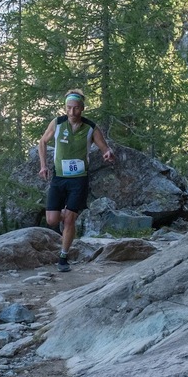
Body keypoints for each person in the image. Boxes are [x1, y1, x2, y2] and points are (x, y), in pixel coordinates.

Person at [38, 89, 115, 272]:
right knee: (52, 220)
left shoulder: (90, 128)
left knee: (70, 219)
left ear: (82, 108)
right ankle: (67, 217)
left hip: (79, 179)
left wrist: (108, 153)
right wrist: (43, 165)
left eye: (76, 108)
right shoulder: (57, 123)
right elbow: (42, 142)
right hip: (59, 177)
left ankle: (63, 258)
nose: (71, 112)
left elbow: (104, 147)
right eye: (68, 108)